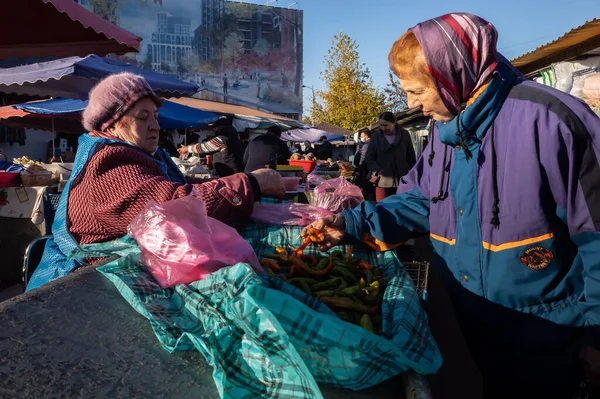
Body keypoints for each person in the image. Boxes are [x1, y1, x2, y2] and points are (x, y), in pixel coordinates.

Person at [302, 12, 600, 399]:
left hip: (551, 336)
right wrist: (352, 223)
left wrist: (597, 338)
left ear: (451, 75)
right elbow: (420, 200)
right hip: (478, 324)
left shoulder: (552, 121)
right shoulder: (447, 134)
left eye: (417, 92)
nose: (412, 104)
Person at [27, 73, 284, 291]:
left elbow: (178, 183)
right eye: (143, 117)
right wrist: (249, 184)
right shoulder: (109, 163)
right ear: (114, 123)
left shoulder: (140, 154)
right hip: (79, 291)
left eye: (155, 117)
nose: (155, 126)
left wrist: (238, 182)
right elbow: (175, 207)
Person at [365, 112, 416, 202]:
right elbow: (369, 158)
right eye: (381, 125)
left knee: (401, 208)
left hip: (402, 181)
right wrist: (378, 170)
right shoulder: (376, 137)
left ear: (394, 123)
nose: (383, 128)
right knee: (382, 208)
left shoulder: (405, 135)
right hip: (382, 181)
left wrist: (412, 176)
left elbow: (411, 157)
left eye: (386, 125)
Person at [178, 118, 245, 178]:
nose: (214, 130)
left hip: (230, 173)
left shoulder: (222, 138)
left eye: (215, 128)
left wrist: (187, 149)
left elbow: (203, 147)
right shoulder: (232, 135)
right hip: (233, 170)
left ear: (220, 128)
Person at [353, 128, 374, 201]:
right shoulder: (372, 143)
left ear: (366, 136)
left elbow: (363, 158)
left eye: (362, 136)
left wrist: (359, 170)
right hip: (370, 169)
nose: (361, 137)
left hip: (366, 170)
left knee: (364, 187)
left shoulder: (366, 145)